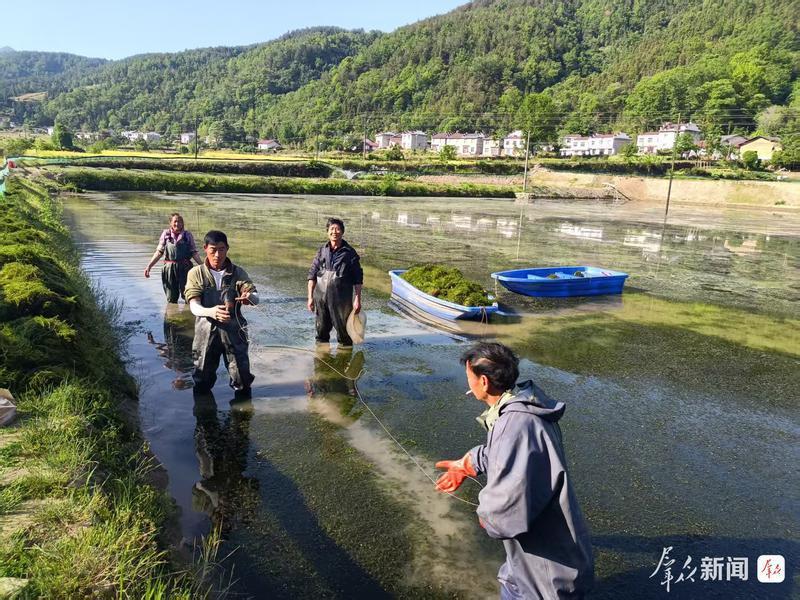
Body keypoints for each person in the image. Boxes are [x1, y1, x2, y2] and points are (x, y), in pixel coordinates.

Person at [435, 342, 594, 599]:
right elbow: (505, 454)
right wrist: (468, 463)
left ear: (483, 382)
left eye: (469, 377)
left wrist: (487, 516)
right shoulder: (520, 410)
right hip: (529, 567)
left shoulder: (517, 424)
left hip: (547, 579)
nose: (468, 384)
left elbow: (505, 515)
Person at [184, 230, 259, 395]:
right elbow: (194, 306)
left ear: (227, 249)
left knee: (242, 377)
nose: (217, 254)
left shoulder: (237, 273)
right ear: (205, 248)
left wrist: (250, 297)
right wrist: (211, 311)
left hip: (235, 330)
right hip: (205, 331)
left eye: (222, 249)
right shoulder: (196, 273)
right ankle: (204, 416)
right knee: (202, 377)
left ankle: (243, 415)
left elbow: (255, 296)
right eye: (213, 249)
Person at [307, 218, 363, 346]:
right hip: (321, 299)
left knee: (344, 334)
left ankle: (344, 358)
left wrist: (357, 298)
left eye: (338, 229)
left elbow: (358, 278)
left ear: (342, 232)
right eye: (332, 229)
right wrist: (310, 297)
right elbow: (312, 275)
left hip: (341, 300)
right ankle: (322, 357)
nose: (335, 232)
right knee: (321, 332)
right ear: (328, 232)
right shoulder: (322, 251)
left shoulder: (350, 253)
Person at [144, 213, 203, 303]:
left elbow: (194, 253)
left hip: (185, 268)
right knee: (171, 298)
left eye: (180, 221)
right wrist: (149, 266)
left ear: (183, 223)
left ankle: (189, 313)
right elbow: (159, 252)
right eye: (175, 221)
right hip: (169, 269)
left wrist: (203, 266)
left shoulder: (187, 235)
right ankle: (172, 314)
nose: (177, 224)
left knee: (189, 295)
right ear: (170, 223)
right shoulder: (166, 234)